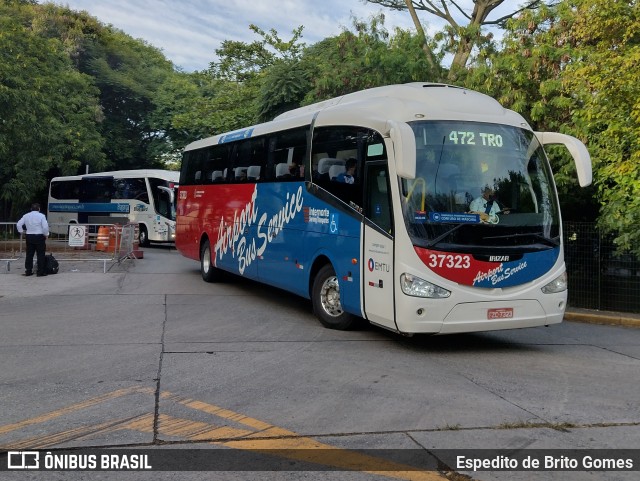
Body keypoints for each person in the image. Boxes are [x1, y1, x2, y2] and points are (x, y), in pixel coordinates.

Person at [16, 203, 50, 277]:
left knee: (29, 254)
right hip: (39, 236)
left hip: (29, 236)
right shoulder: (42, 216)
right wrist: (46, 234)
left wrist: (21, 232)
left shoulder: (26, 215)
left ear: (31, 209)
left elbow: (18, 224)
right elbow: (45, 227)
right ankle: (40, 272)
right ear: (39, 209)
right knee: (40, 254)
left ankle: (28, 271)